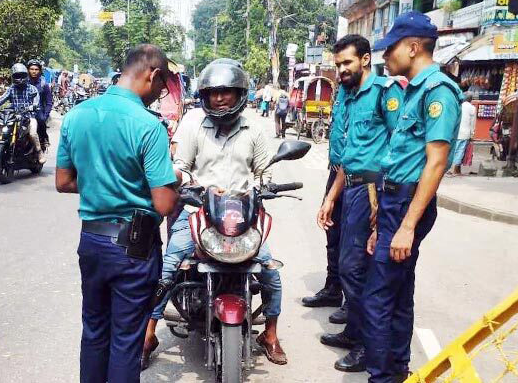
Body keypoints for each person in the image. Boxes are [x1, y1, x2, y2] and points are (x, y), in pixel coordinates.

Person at [142, 58, 288, 368]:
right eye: (212, 93)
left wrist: (267, 185)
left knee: (270, 270)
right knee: (169, 269)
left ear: (240, 94)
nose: (219, 98)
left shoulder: (255, 126)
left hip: (243, 214)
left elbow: (263, 170)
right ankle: (149, 333)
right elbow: (181, 166)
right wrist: (177, 181)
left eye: (226, 92)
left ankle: (271, 334)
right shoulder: (194, 122)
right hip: (198, 210)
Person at [55, 44, 178, 383]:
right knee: (125, 341)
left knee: (94, 331)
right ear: (152, 75)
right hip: (133, 251)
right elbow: (164, 204)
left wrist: (99, 183)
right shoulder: (148, 126)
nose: (160, 94)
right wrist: (170, 182)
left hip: (92, 242)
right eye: (162, 85)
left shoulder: (76, 115)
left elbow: (64, 182)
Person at [363, 11, 463, 382]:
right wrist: (383, 220)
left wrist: (406, 226)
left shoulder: (438, 92)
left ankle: (382, 376)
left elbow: (436, 164)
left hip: (408, 204)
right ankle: (398, 369)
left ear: (414, 47)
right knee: (399, 294)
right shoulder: (413, 88)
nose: (385, 57)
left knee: (377, 297)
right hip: (395, 202)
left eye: (390, 50)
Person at [316, 34, 404, 373]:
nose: (341, 70)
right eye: (338, 64)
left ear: (366, 59)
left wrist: (383, 198)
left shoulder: (385, 93)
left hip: (372, 189)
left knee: (356, 269)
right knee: (345, 262)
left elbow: (399, 146)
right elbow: (349, 155)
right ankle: (354, 332)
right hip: (350, 186)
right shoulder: (350, 96)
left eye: (347, 63)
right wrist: (330, 197)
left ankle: (368, 345)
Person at [301, 87, 346, 314]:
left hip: (358, 176)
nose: (342, 70)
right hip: (337, 171)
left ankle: (353, 303)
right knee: (332, 231)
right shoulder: (343, 95)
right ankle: (333, 287)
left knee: (353, 243)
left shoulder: (376, 93)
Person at [0, 63, 46, 164]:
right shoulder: (11, 89)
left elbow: (36, 101)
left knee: (32, 133)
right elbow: (2, 98)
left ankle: (39, 152)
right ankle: (4, 148)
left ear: (25, 76)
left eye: (21, 76)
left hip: (28, 116)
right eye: (17, 76)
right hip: (13, 117)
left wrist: (33, 106)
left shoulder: (32, 89)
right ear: (13, 77)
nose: (19, 79)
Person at [27, 59, 54, 149]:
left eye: (36, 69)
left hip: (39, 110)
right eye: (32, 69)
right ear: (28, 70)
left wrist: (45, 114)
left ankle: (44, 138)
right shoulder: (23, 83)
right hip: (24, 111)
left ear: (39, 71)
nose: (34, 71)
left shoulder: (44, 84)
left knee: (41, 120)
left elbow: (49, 102)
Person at [448, 93, 476, 176]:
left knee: (453, 150)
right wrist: (472, 134)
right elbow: (472, 123)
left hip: (455, 132)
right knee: (460, 150)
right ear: (471, 99)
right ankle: (455, 169)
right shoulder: (472, 108)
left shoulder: (458, 106)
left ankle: (451, 168)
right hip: (465, 133)